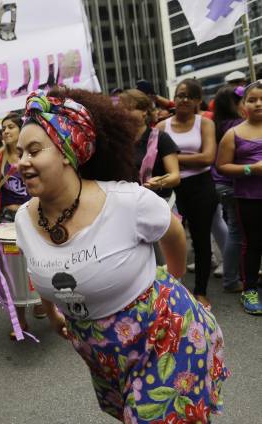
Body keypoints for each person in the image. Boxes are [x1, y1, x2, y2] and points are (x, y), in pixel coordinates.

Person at [15, 89, 229, 423]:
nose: (21, 161)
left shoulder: (127, 200)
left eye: (34, 150)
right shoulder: (23, 219)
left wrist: (172, 284)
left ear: (69, 152)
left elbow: (173, 236)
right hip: (101, 352)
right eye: (18, 152)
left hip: (164, 335)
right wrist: (54, 315)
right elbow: (40, 268)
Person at [0, 112, 44, 335]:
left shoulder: (33, 156)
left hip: (36, 217)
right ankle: (19, 320)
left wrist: (27, 207)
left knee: (38, 262)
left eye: (10, 127)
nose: (5, 131)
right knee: (12, 271)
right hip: (7, 222)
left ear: (21, 130)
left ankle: (41, 301)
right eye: (3, 128)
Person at [157, 79, 218, 309]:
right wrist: (173, 160)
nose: (184, 99)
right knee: (172, 240)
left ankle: (201, 292)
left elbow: (207, 157)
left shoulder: (205, 123)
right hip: (173, 188)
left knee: (201, 240)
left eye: (190, 96)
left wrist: (170, 156)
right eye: (180, 95)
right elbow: (155, 159)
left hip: (201, 186)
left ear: (197, 101)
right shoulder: (162, 126)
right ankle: (175, 291)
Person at [216, 80, 262, 315]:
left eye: (261, 99)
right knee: (252, 244)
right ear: (243, 105)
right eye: (252, 99)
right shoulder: (233, 134)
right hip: (249, 198)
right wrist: (251, 169)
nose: (258, 103)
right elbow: (222, 166)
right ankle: (249, 289)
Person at [119, 89, 180, 197]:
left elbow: (175, 176)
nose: (123, 113)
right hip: (129, 203)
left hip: (159, 201)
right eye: (120, 109)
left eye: (129, 109)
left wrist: (159, 182)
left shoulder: (161, 138)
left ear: (144, 111)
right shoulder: (119, 141)